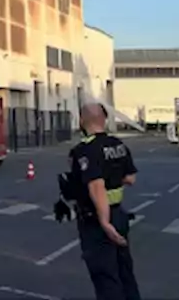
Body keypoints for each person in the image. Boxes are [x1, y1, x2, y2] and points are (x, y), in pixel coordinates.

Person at [53, 103, 141, 300]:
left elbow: (96, 186)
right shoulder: (118, 144)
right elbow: (130, 178)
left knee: (106, 277)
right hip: (119, 215)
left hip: (97, 220)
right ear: (105, 119)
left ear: (82, 120)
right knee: (124, 272)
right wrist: (112, 176)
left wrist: (104, 222)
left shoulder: (85, 150)